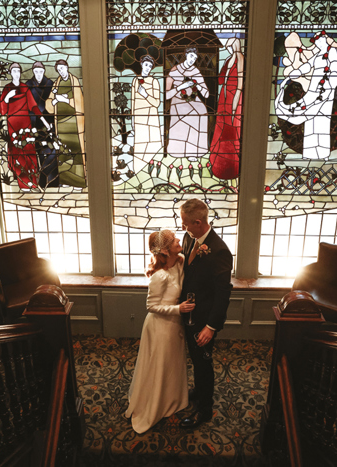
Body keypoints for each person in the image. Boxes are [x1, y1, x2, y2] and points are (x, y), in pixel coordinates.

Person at [125, 230, 195, 433]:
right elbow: (151, 306)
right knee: (160, 364)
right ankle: (156, 404)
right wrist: (178, 309)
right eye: (174, 240)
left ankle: (173, 399)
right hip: (160, 326)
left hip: (174, 326)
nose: (178, 240)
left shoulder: (180, 262)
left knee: (173, 363)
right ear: (164, 250)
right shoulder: (160, 276)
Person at [178, 198, 233, 428]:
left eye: (185, 223)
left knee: (203, 363)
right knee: (195, 359)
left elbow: (223, 293)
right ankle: (199, 390)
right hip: (188, 314)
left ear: (198, 222)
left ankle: (205, 410)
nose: (182, 227)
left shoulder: (219, 251)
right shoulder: (188, 238)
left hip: (203, 321)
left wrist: (210, 327)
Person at [274, 30, 337, 160]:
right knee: (310, 119)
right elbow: (307, 66)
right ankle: (309, 152)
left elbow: (335, 70)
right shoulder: (319, 55)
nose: (317, 44)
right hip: (314, 90)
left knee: (323, 121)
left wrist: (331, 85)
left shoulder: (332, 53)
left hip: (326, 91)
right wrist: (295, 73)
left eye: (318, 41)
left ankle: (323, 153)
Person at [0, 62, 52, 190]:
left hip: (25, 124)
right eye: (14, 71)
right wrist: (6, 98)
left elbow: (33, 106)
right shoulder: (7, 88)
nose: (16, 73)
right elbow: (2, 111)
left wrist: (44, 121)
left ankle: (33, 182)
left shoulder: (24, 87)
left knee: (29, 151)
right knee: (18, 153)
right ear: (10, 73)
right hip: (13, 125)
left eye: (18, 71)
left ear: (20, 73)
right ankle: (23, 183)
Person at [45, 59, 86, 188]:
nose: (61, 71)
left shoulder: (74, 81)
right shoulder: (56, 83)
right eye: (58, 70)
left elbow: (80, 103)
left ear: (67, 67)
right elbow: (49, 104)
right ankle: (65, 180)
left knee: (76, 151)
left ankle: (79, 181)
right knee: (62, 151)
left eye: (62, 68)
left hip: (73, 124)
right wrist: (54, 102)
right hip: (61, 125)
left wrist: (66, 100)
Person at [166, 47, 210, 161]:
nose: (192, 60)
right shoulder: (174, 70)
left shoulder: (195, 71)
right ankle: (179, 150)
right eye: (191, 56)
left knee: (202, 110)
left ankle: (194, 151)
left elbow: (206, 94)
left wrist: (198, 85)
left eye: (195, 58)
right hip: (178, 100)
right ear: (186, 55)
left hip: (193, 99)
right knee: (188, 114)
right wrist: (180, 87)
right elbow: (166, 95)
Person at [209, 37, 244, 180]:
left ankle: (230, 165)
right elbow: (220, 79)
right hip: (223, 99)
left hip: (233, 98)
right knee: (220, 128)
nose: (229, 49)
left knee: (231, 130)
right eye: (228, 47)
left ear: (235, 46)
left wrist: (236, 104)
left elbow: (240, 83)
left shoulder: (240, 58)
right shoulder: (230, 59)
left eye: (230, 46)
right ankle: (216, 161)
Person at [25, 61, 58, 188]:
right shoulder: (28, 85)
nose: (38, 74)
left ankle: (52, 181)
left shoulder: (50, 84)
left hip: (48, 120)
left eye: (41, 71)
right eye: (36, 71)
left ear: (44, 71)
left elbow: (51, 102)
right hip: (34, 121)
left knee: (52, 149)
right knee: (39, 150)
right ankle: (42, 181)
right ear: (33, 72)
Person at [131, 55, 163, 175]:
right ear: (141, 64)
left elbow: (156, 103)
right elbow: (133, 101)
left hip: (151, 118)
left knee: (152, 144)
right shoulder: (135, 81)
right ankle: (139, 170)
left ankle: (154, 171)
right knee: (140, 144)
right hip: (139, 117)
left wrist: (145, 94)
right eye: (146, 65)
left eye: (150, 66)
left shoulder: (155, 81)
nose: (148, 68)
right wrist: (133, 119)